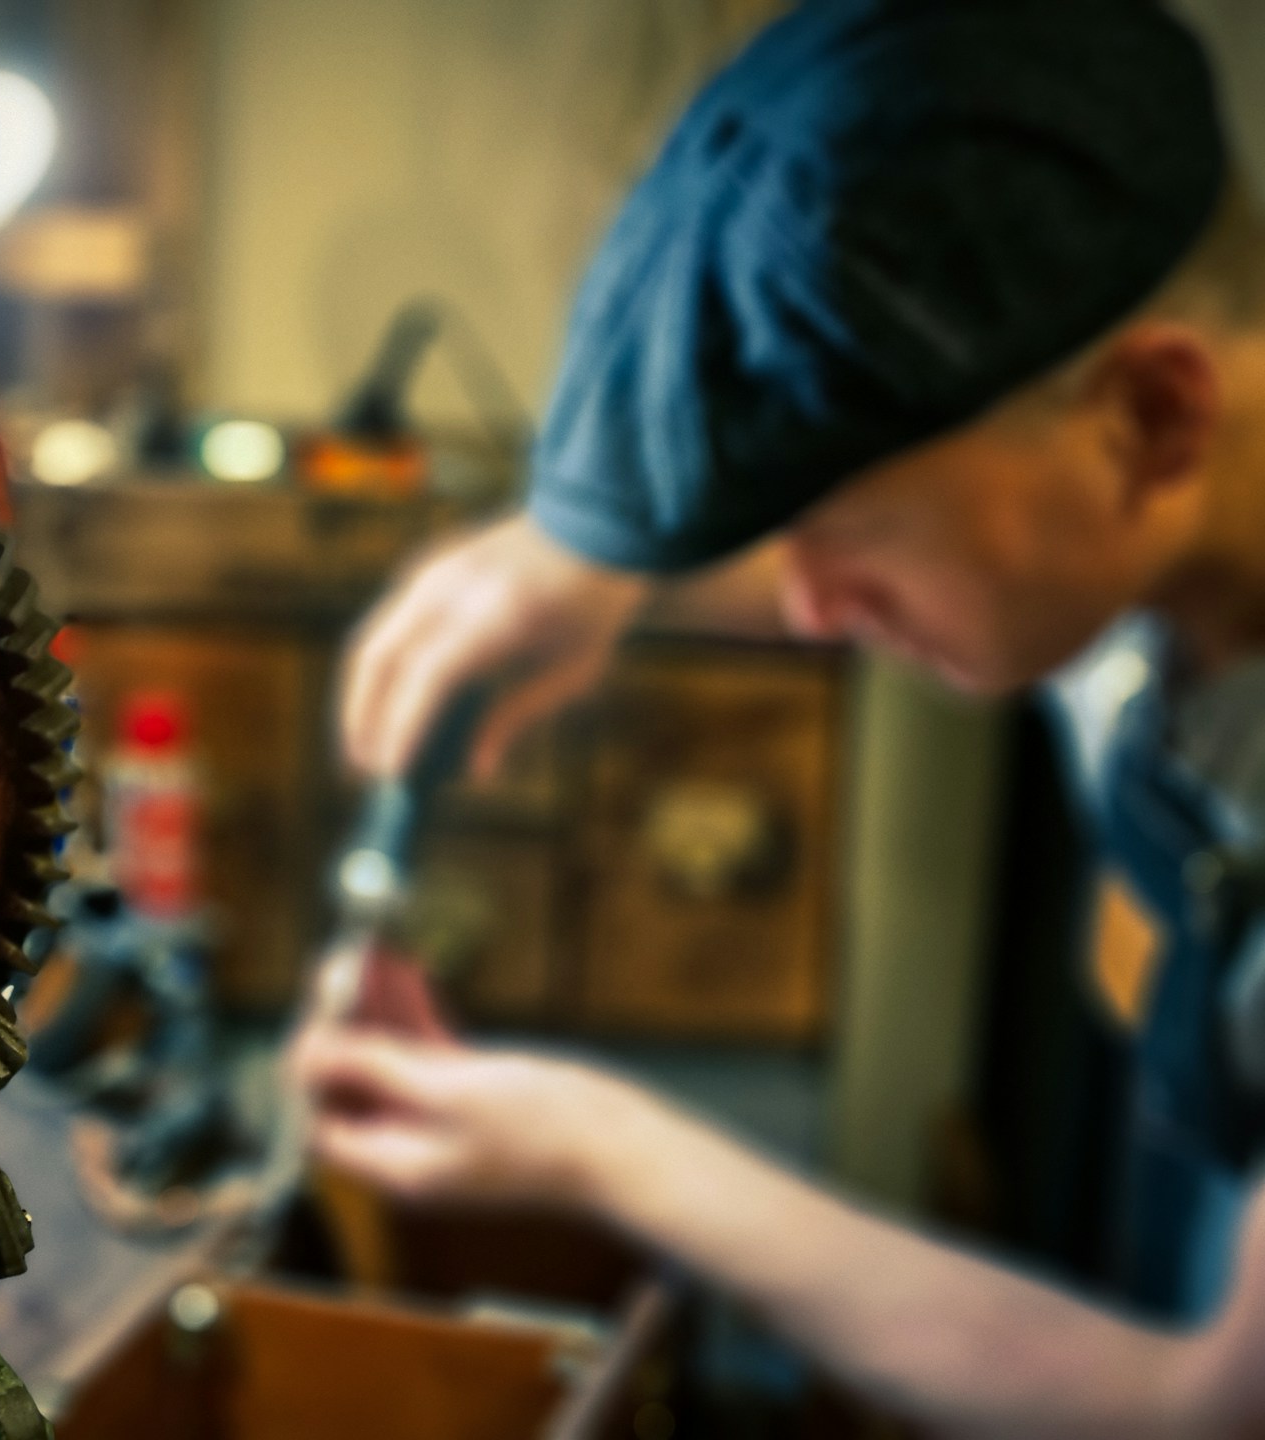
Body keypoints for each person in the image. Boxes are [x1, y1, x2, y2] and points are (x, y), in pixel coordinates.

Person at [297, 0, 1265, 1433]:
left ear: (1152, 420)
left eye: (845, 535)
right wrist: (581, 566)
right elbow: (954, 533)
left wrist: (594, 1150)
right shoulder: (1143, 527)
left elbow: (1198, 1412)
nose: (804, 610)